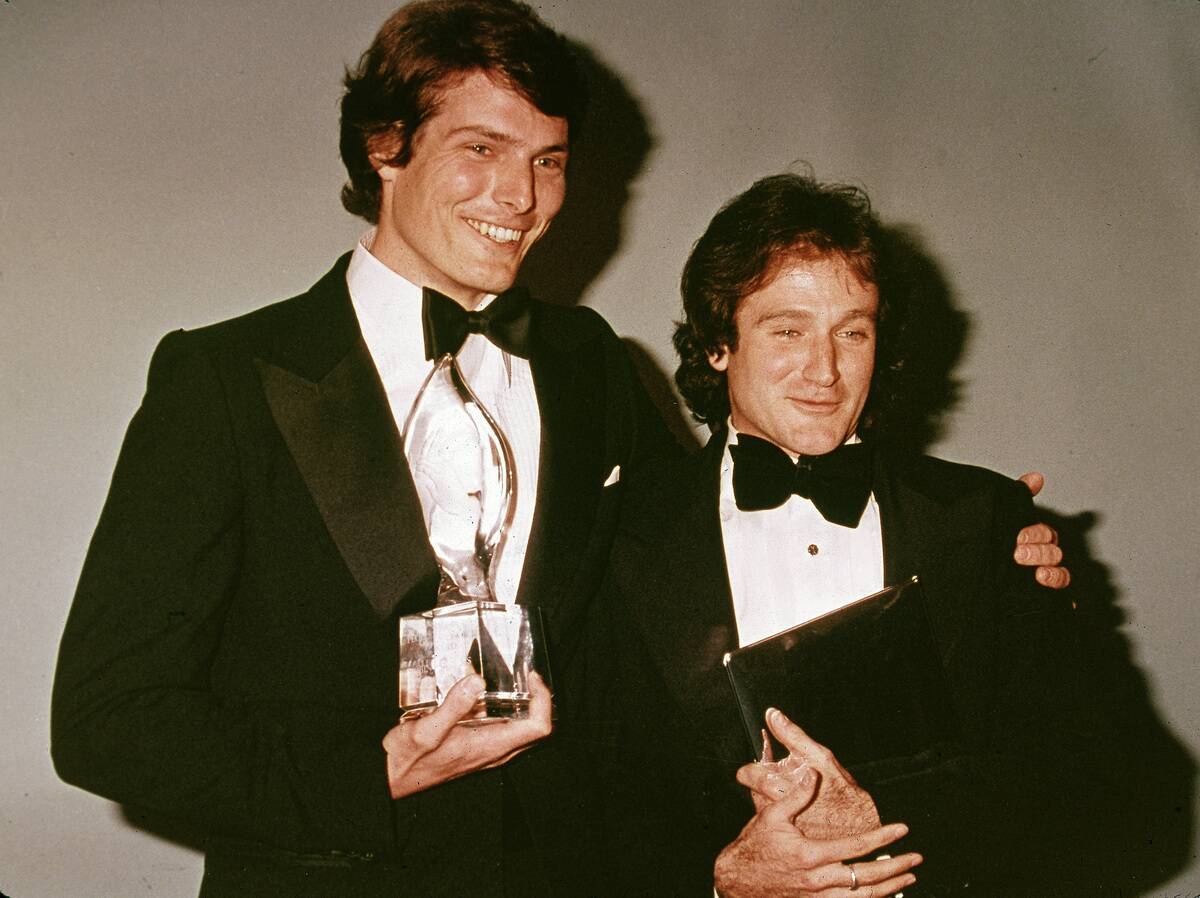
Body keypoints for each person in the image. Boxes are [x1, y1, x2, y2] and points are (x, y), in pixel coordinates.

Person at [50, 2, 1067, 895]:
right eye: (480, 150)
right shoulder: (227, 378)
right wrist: (379, 772)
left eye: (548, 161)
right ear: (385, 146)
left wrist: (981, 536)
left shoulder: (589, 365)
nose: (521, 197)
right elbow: (105, 718)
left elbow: (718, 536)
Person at [600, 173, 1106, 896]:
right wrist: (720, 881)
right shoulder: (617, 537)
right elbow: (582, 811)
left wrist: (887, 827)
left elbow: (1095, 786)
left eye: (853, 331)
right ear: (717, 343)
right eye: (787, 330)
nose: (825, 370)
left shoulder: (985, 519)